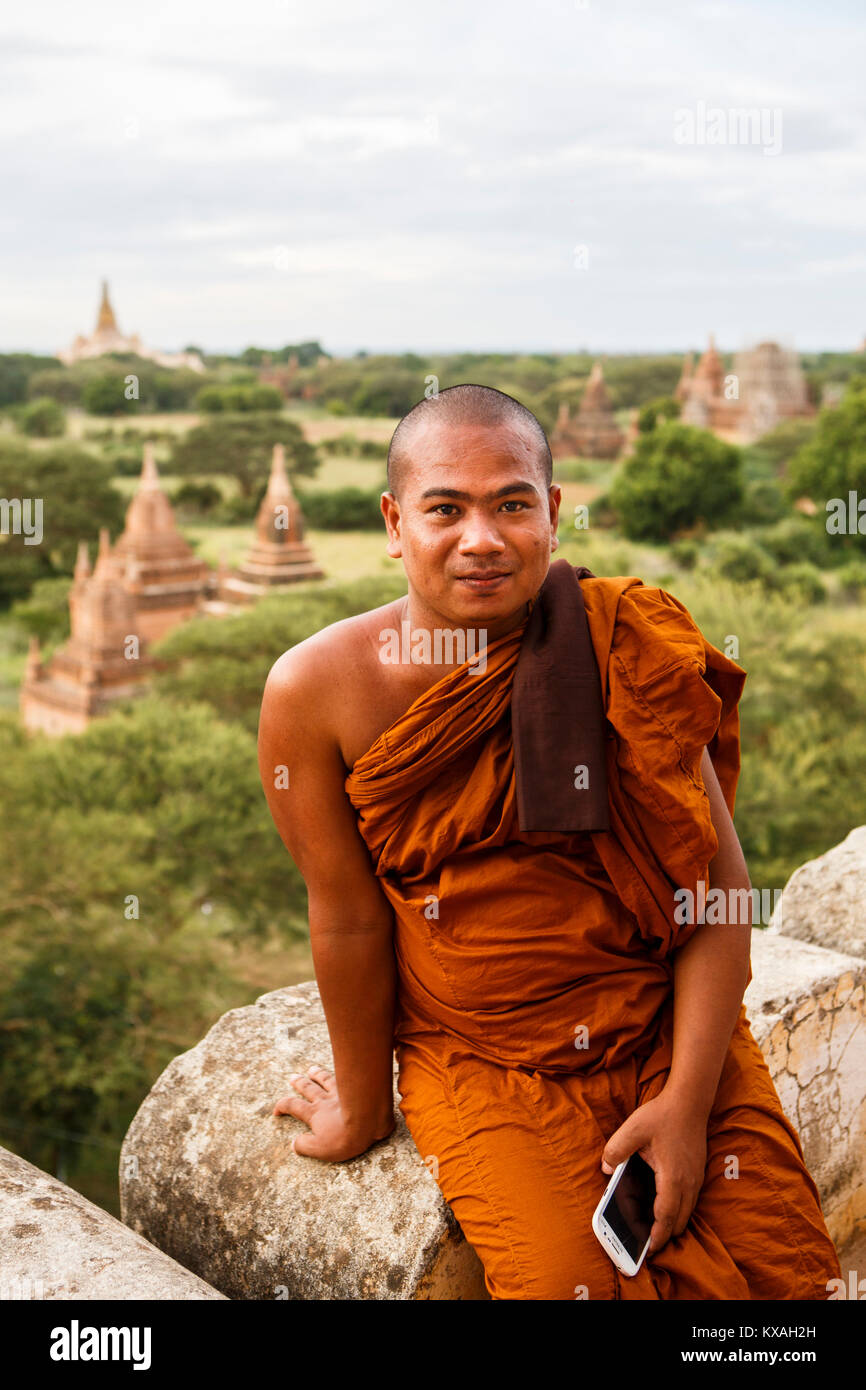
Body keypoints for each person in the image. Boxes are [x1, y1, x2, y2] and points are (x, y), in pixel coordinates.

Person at [257, 383, 841, 1300]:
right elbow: (345, 918)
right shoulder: (318, 691)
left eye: (513, 504)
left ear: (554, 514)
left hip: (666, 1031)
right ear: (394, 520)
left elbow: (720, 896)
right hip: (484, 1060)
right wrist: (364, 1106)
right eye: (445, 508)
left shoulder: (623, 646)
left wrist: (687, 1107)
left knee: (786, 1286)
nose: (481, 538)